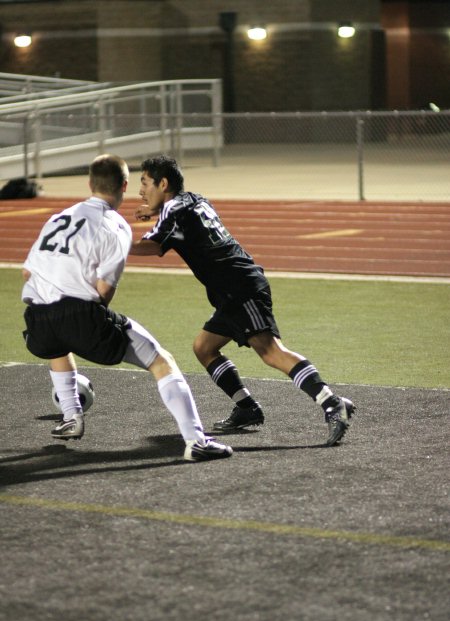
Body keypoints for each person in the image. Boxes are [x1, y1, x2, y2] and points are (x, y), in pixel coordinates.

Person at [129, 155, 356, 446]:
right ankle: (247, 408)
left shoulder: (173, 210)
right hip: (234, 288)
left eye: (145, 183)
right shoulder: (194, 200)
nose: (140, 191)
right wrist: (156, 210)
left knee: (271, 351)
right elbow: (179, 218)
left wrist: (114, 242)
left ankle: (331, 402)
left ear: (163, 183)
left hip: (240, 288)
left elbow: (152, 246)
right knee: (204, 347)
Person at [21, 153, 232, 462]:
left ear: (90, 183)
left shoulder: (57, 217)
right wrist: (86, 321)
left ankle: (71, 417)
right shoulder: (115, 226)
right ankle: (195, 440)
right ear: (124, 185)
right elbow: (104, 292)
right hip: (80, 315)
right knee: (161, 360)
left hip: (36, 321)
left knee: (58, 342)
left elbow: (28, 272)